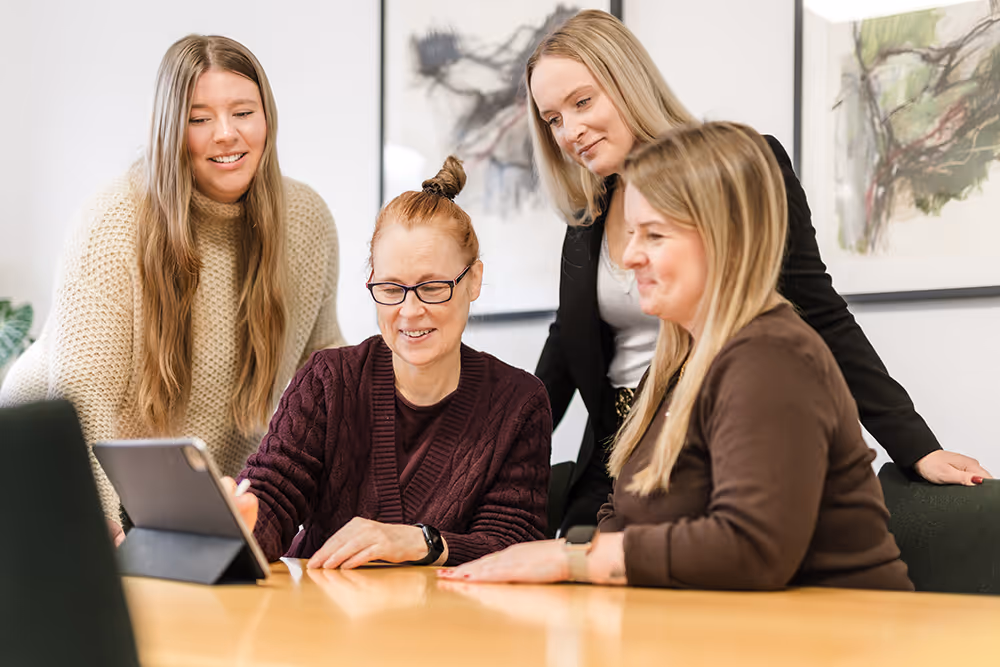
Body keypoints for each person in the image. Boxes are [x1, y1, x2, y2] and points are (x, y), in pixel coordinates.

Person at [527, 10, 990, 533]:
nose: (569, 131)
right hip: (617, 466)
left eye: (582, 102)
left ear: (627, 81)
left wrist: (914, 444)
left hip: (715, 458)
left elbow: (819, 311)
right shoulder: (587, 215)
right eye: (553, 119)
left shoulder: (740, 169)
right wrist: (498, 448)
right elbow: (568, 345)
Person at [439, 122, 914, 591]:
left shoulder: (772, 358)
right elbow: (621, 508)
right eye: (630, 234)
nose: (629, 257)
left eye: (654, 236)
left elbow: (752, 550)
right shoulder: (677, 359)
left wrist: (573, 561)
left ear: (723, 239)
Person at [0, 35, 346, 537]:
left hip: (180, 506)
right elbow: (80, 398)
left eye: (243, 112)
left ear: (267, 117)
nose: (225, 134)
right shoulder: (115, 220)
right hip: (50, 479)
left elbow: (323, 375)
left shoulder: (307, 220)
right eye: (198, 118)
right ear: (169, 129)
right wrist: (101, 535)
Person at [225, 157, 551, 568]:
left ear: (473, 281)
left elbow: (513, 543)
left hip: (451, 626)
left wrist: (424, 542)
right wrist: (241, 522)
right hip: (322, 617)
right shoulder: (328, 380)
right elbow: (274, 493)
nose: (410, 311)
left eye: (432, 287)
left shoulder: (519, 403)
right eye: (391, 288)